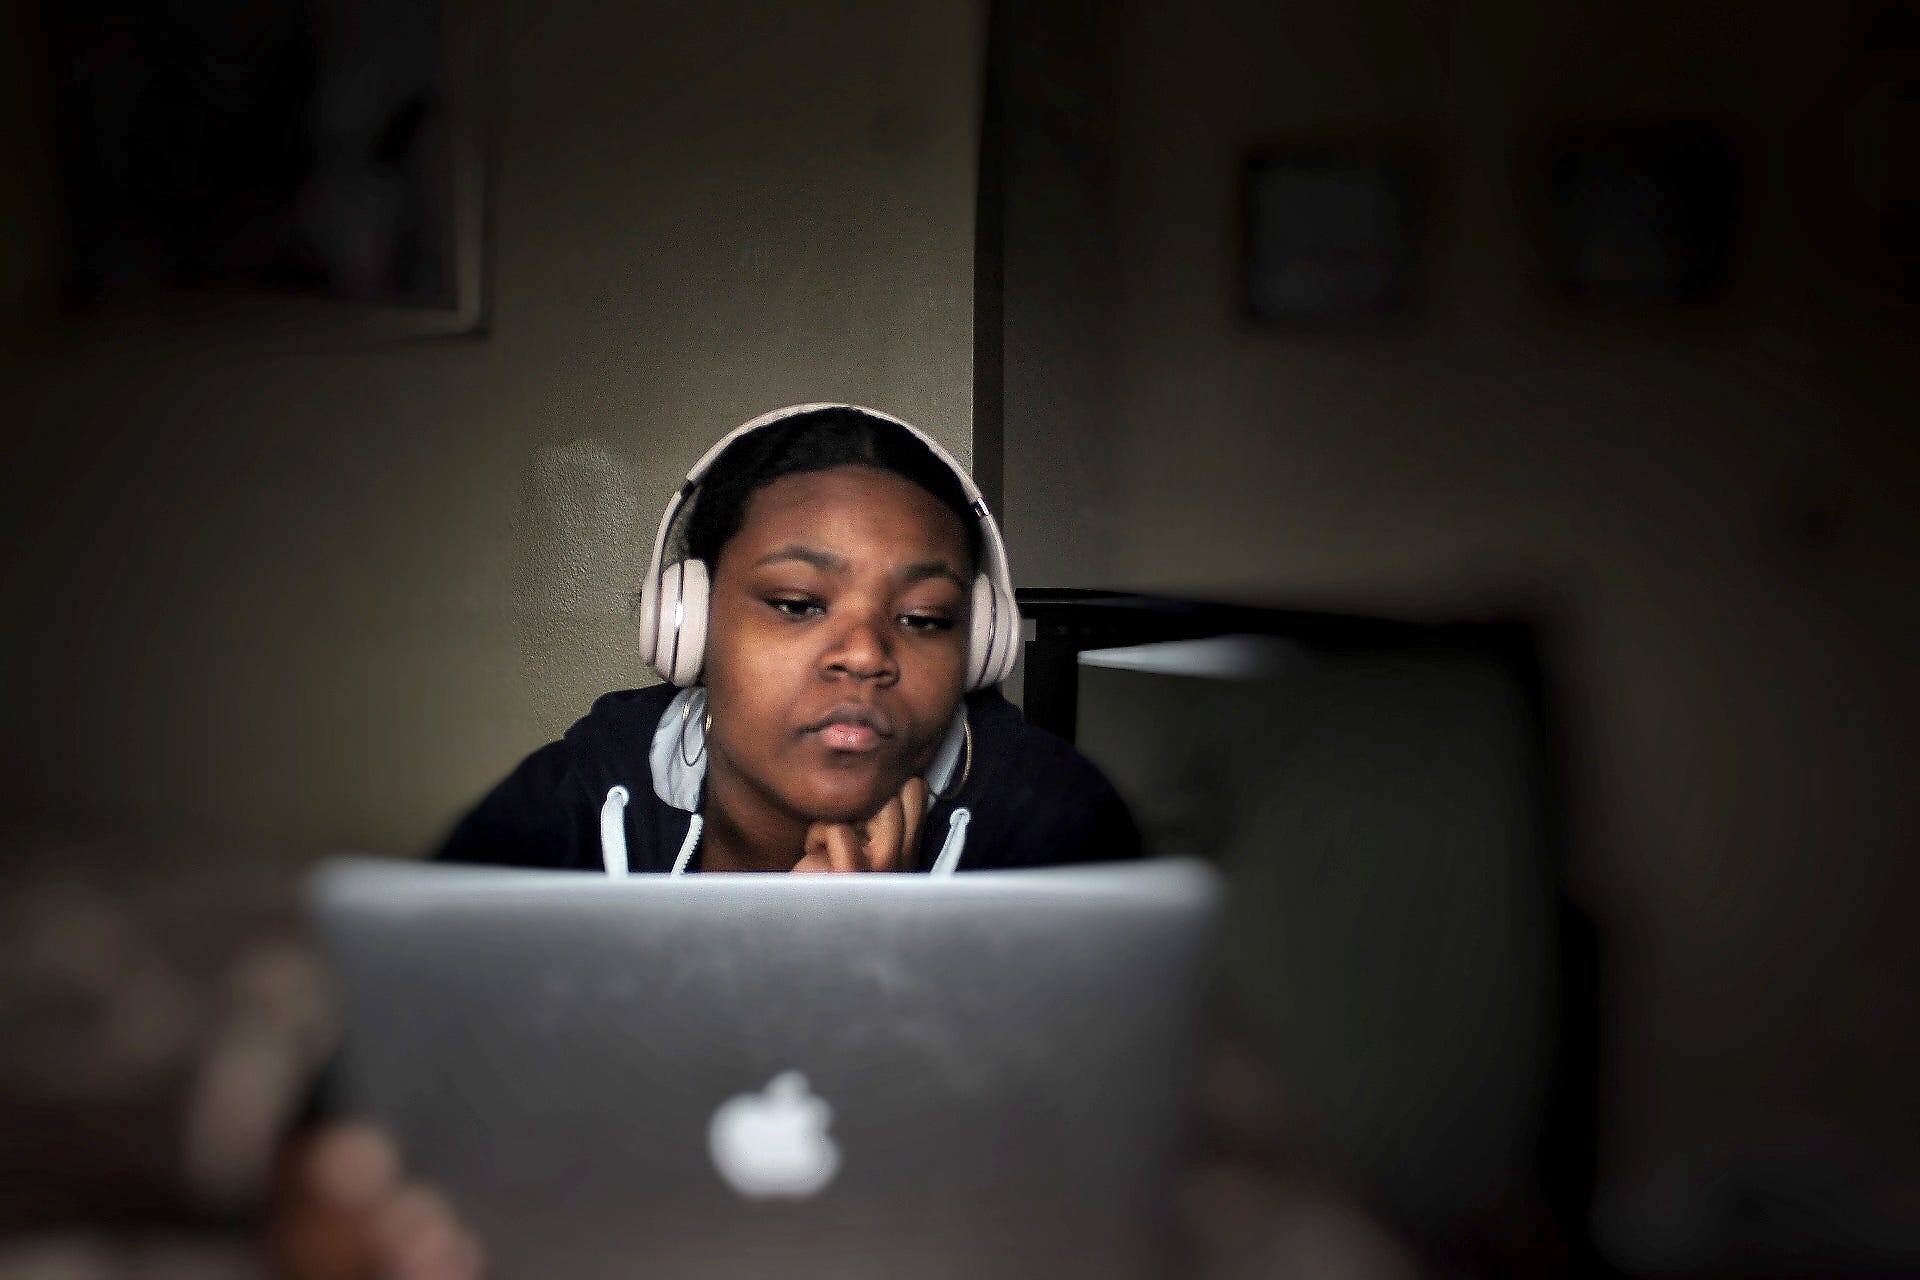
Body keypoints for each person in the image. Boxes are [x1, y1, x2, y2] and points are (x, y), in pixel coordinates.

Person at [267, 404, 1142, 1279]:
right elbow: (352, 1111)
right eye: (798, 604)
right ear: (688, 623)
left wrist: (870, 985)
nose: (866, 654)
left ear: (979, 642)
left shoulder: (1051, 822)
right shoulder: (577, 799)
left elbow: (1105, 1179)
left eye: (923, 618)